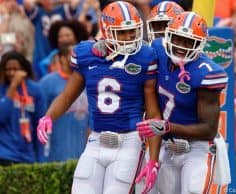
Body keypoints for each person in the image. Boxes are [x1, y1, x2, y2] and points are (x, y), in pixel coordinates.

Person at [36, 1, 162, 194]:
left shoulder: (145, 56)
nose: (129, 37)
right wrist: (48, 116)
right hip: (95, 141)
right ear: (106, 30)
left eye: (132, 31)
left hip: (128, 142)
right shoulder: (86, 54)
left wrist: (153, 160)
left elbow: (153, 113)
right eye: (121, 32)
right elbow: (68, 95)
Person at [136, 11, 231, 194]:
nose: (181, 46)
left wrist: (167, 127)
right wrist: (100, 48)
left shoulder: (207, 73)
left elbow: (209, 129)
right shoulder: (157, 49)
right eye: (177, 38)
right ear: (168, 35)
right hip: (167, 146)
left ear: (200, 44)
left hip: (197, 148)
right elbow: (131, 54)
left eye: (189, 42)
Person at [39, 45, 89, 162]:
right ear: (61, 59)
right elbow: (40, 116)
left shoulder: (88, 82)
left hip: (83, 153)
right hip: (55, 153)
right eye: (73, 55)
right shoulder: (47, 82)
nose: (78, 59)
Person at [0, 51, 46, 166]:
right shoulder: (1, 89)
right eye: (8, 69)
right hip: (4, 154)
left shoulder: (35, 90)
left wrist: (40, 159)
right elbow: (1, 117)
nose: (11, 73)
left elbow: (40, 124)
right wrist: (13, 86)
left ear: (24, 70)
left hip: (27, 156)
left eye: (16, 69)